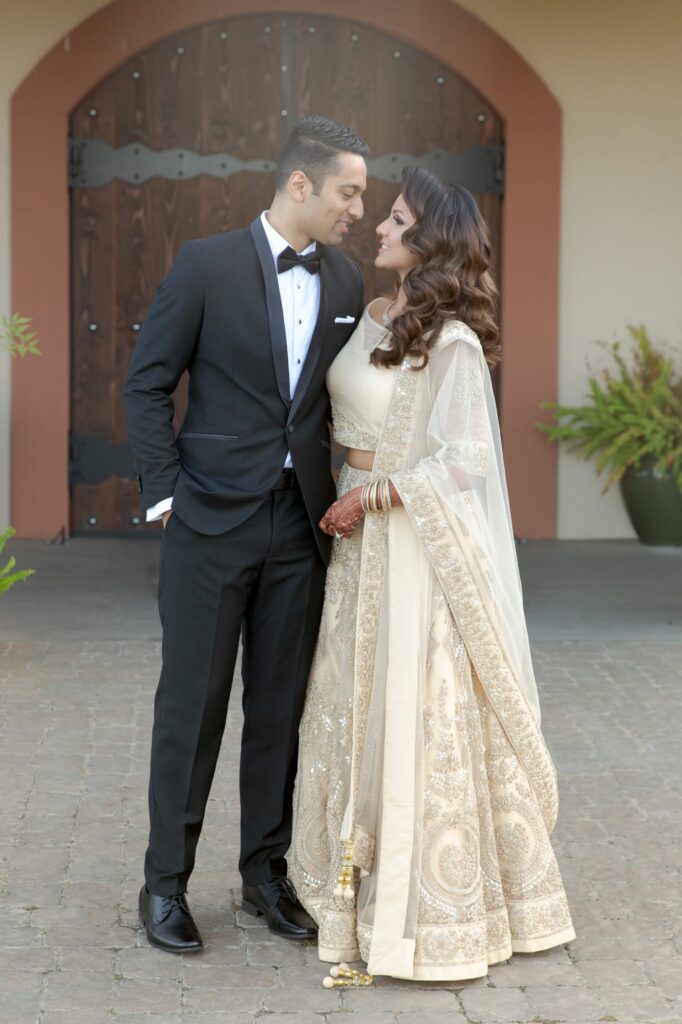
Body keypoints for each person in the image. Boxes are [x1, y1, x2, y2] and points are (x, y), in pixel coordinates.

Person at [289, 166, 575, 981]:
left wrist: (372, 496)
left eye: (397, 217)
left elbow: (464, 463)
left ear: (428, 241)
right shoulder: (375, 310)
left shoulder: (448, 339)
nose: (377, 227)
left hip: (404, 542)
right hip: (353, 529)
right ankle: (343, 876)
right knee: (348, 702)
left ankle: (422, 905)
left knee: (408, 713)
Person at [125, 116, 369, 954]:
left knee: (279, 712)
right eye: (350, 191)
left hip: (301, 529)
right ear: (301, 184)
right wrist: (164, 496)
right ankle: (165, 886)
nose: (358, 210)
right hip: (207, 526)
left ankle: (265, 875)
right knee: (189, 711)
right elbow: (148, 382)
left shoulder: (346, 283)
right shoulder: (205, 264)